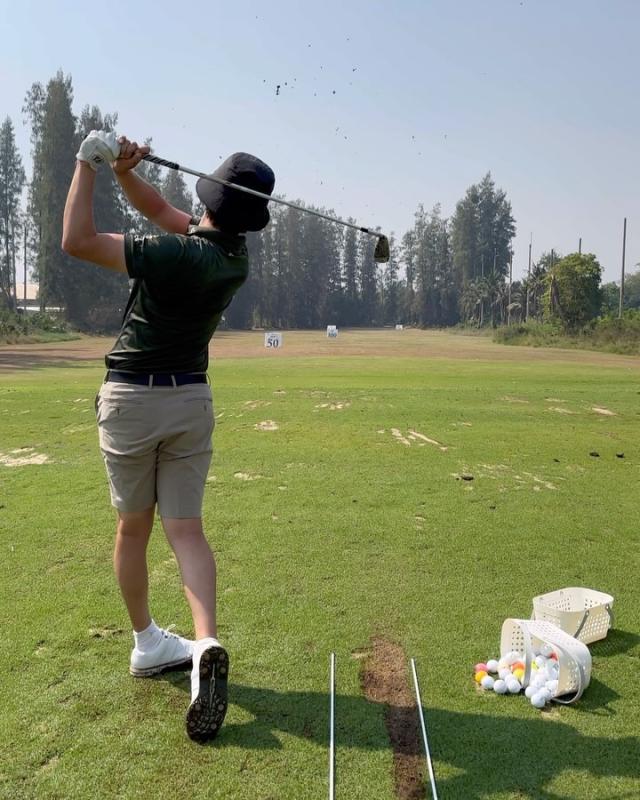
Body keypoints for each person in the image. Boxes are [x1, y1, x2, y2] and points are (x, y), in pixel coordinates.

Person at [62, 130, 275, 742]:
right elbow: (160, 209)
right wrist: (126, 171)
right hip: (190, 401)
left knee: (133, 528)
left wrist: (87, 163)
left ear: (209, 199)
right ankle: (204, 642)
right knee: (187, 531)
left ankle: (147, 643)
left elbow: (77, 241)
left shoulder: (174, 254)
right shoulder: (232, 257)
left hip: (132, 400)